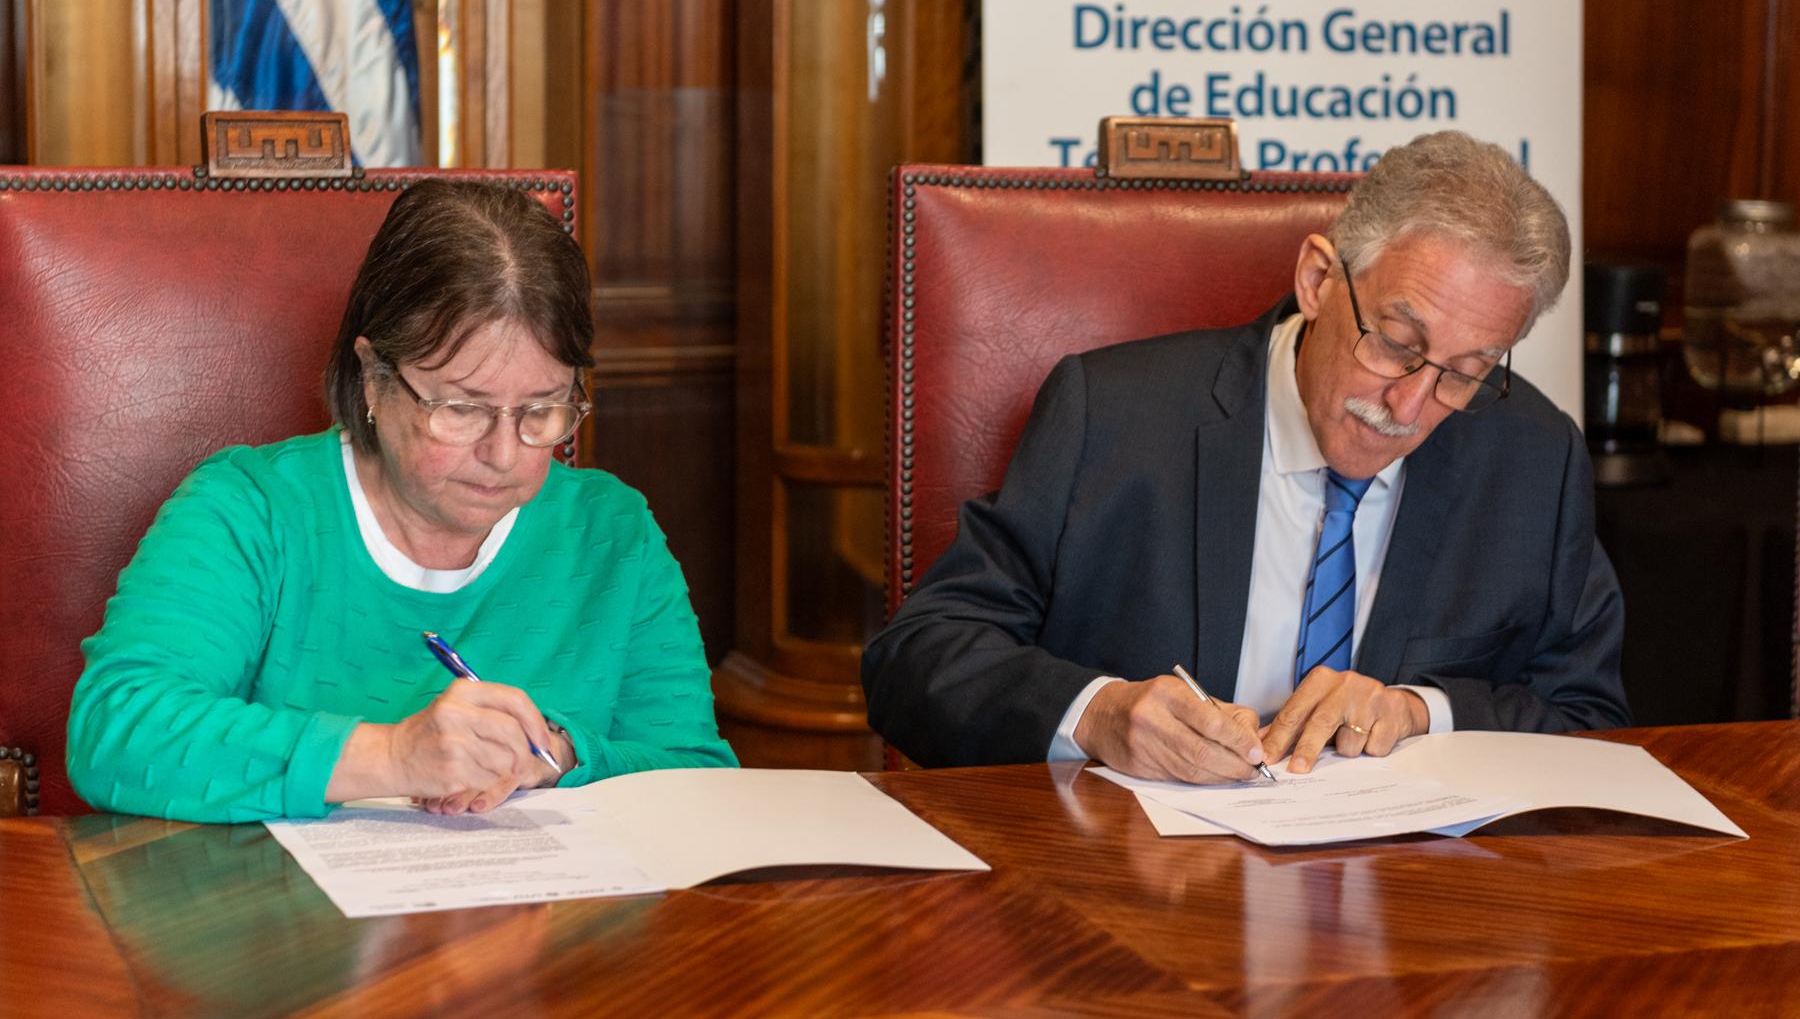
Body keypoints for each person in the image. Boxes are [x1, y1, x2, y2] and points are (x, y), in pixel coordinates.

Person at [862, 131, 1630, 785]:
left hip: (1407, 911)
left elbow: (1588, 721)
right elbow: (917, 660)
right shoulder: (1112, 415)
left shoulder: (1532, 456)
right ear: (1320, 281)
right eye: (1397, 343)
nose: (1408, 406)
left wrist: (1421, 711)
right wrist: (1095, 714)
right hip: (1132, 903)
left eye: (1464, 372)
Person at [67, 179, 735, 823]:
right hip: (285, 926)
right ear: (371, 376)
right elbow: (117, 732)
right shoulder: (251, 511)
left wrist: (559, 755)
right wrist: (393, 757)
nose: (505, 456)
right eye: (461, 409)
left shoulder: (611, 533)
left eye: (542, 409)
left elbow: (696, 777)